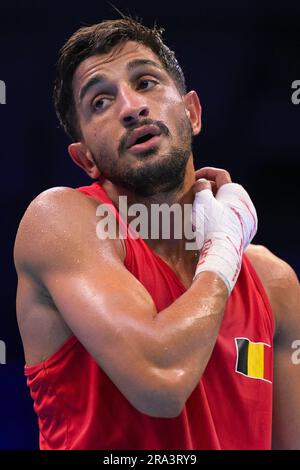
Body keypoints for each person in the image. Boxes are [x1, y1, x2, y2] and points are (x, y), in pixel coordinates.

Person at [14, 16, 300, 450]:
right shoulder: (59, 221)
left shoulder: (275, 285)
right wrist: (224, 246)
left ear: (192, 112)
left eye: (146, 82)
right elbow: (160, 381)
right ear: (85, 159)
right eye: (100, 102)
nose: (131, 107)